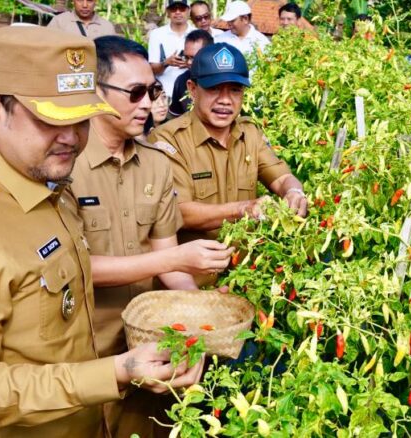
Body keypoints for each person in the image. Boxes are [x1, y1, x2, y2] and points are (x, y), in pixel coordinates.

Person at [0, 26, 204, 437]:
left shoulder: (44, 182)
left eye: (83, 120)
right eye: (49, 120)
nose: (71, 139)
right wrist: (113, 373)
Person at [71, 35, 232, 437]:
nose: (148, 104)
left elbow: (168, 259)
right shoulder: (65, 164)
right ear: (95, 93)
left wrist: (205, 313)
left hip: (147, 342)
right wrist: (175, 260)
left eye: (153, 91)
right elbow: (72, 267)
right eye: (135, 93)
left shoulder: (156, 166)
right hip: (82, 345)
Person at [150, 43, 306, 286]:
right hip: (191, 283)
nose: (225, 101)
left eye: (234, 90)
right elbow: (180, 213)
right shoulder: (169, 140)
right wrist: (245, 208)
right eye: (214, 89)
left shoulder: (249, 133)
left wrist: (294, 192)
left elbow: (281, 177)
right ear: (193, 89)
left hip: (248, 278)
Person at [149, 0, 194, 91]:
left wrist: (190, 63)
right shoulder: (156, 34)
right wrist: (166, 63)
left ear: (189, 11)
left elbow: (205, 66)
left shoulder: (196, 33)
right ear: (168, 12)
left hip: (190, 92)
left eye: (181, 8)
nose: (177, 12)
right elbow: (152, 69)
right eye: (173, 9)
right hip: (164, 92)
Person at [168, 29, 213, 119]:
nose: (188, 62)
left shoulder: (224, 79)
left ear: (209, 54)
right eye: (186, 57)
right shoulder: (181, 81)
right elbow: (175, 118)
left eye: (193, 57)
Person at [47, 0, 118, 38]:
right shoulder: (59, 22)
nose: (85, 5)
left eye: (90, 0)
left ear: (96, 1)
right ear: (73, 1)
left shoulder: (107, 27)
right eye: (80, 0)